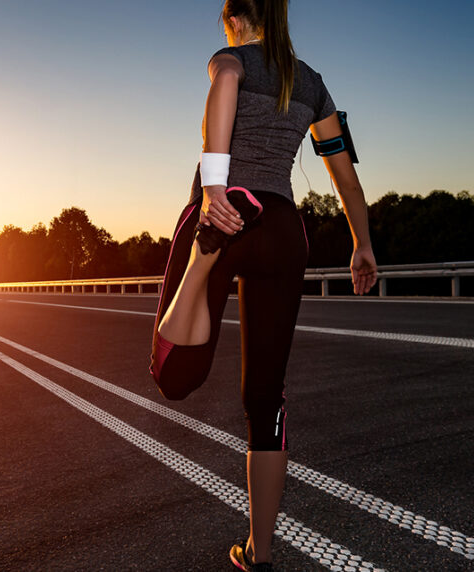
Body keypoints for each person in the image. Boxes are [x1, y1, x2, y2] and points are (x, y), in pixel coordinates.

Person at [148, 0, 378, 570]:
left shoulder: (230, 59)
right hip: (281, 226)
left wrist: (215, 188)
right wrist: (363, 243)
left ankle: (203, 262)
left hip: (223, 216)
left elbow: (226, 77)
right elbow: (343, 172)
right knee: (265, 401)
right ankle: (262, 553)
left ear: (232, 19)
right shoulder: (314, 84)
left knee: (174, 374)